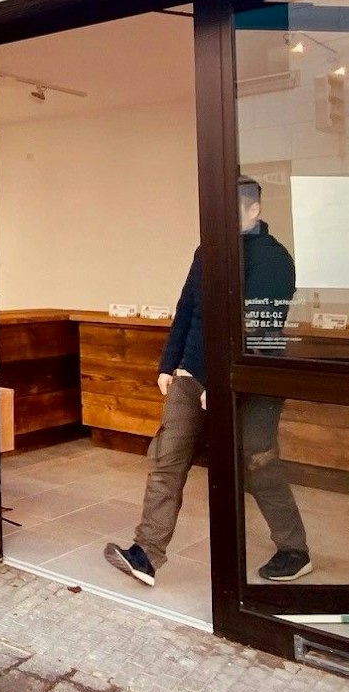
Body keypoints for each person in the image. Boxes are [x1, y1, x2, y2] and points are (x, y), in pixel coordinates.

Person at [105, 177, 312, 586]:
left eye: (230, 209)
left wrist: (221, 378)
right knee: (167, 458)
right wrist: (169, 364)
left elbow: (251, 328)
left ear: (254, 211)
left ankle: (294, 549)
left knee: (257, 462)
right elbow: (188, 309)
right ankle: (146, 552)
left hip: (251, 378)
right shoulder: (206, 252)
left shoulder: (272, 259)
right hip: (193, 374)